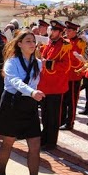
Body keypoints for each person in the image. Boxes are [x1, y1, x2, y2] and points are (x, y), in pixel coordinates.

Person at [0, 31, 47, 175]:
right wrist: (32, 92)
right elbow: (15, 81)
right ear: (19, 44)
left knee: (35, 145)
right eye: (28, 41)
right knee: (8, 142)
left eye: (33, 41)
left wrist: (33, 94)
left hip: (29, 105)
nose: (32, 44)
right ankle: (2, 174)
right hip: (12, 103)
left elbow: (34, 82)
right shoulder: (11, 62)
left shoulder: (38, 63)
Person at [38, 20, 71, 151]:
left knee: (53, 116)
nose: (51, 32)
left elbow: (66, 66)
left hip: (56, 86)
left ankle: (51, 141)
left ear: (60, 32)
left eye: (54, 30)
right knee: (45, 115)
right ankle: (44, 137)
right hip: (45, 85)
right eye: (51, 30)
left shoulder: (65, 45)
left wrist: (48, 64)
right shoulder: (49, 43)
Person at [60, 21, 86, 130]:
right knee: (63, 100)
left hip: (74, 75)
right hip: (64, 75)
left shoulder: (80, 43)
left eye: (69, 30)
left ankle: (70, 122)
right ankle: (62, 120)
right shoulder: (65, 41)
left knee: (72, 101)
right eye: (66, 30)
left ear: (75, 31)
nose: (67, 32)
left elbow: (78, 60)